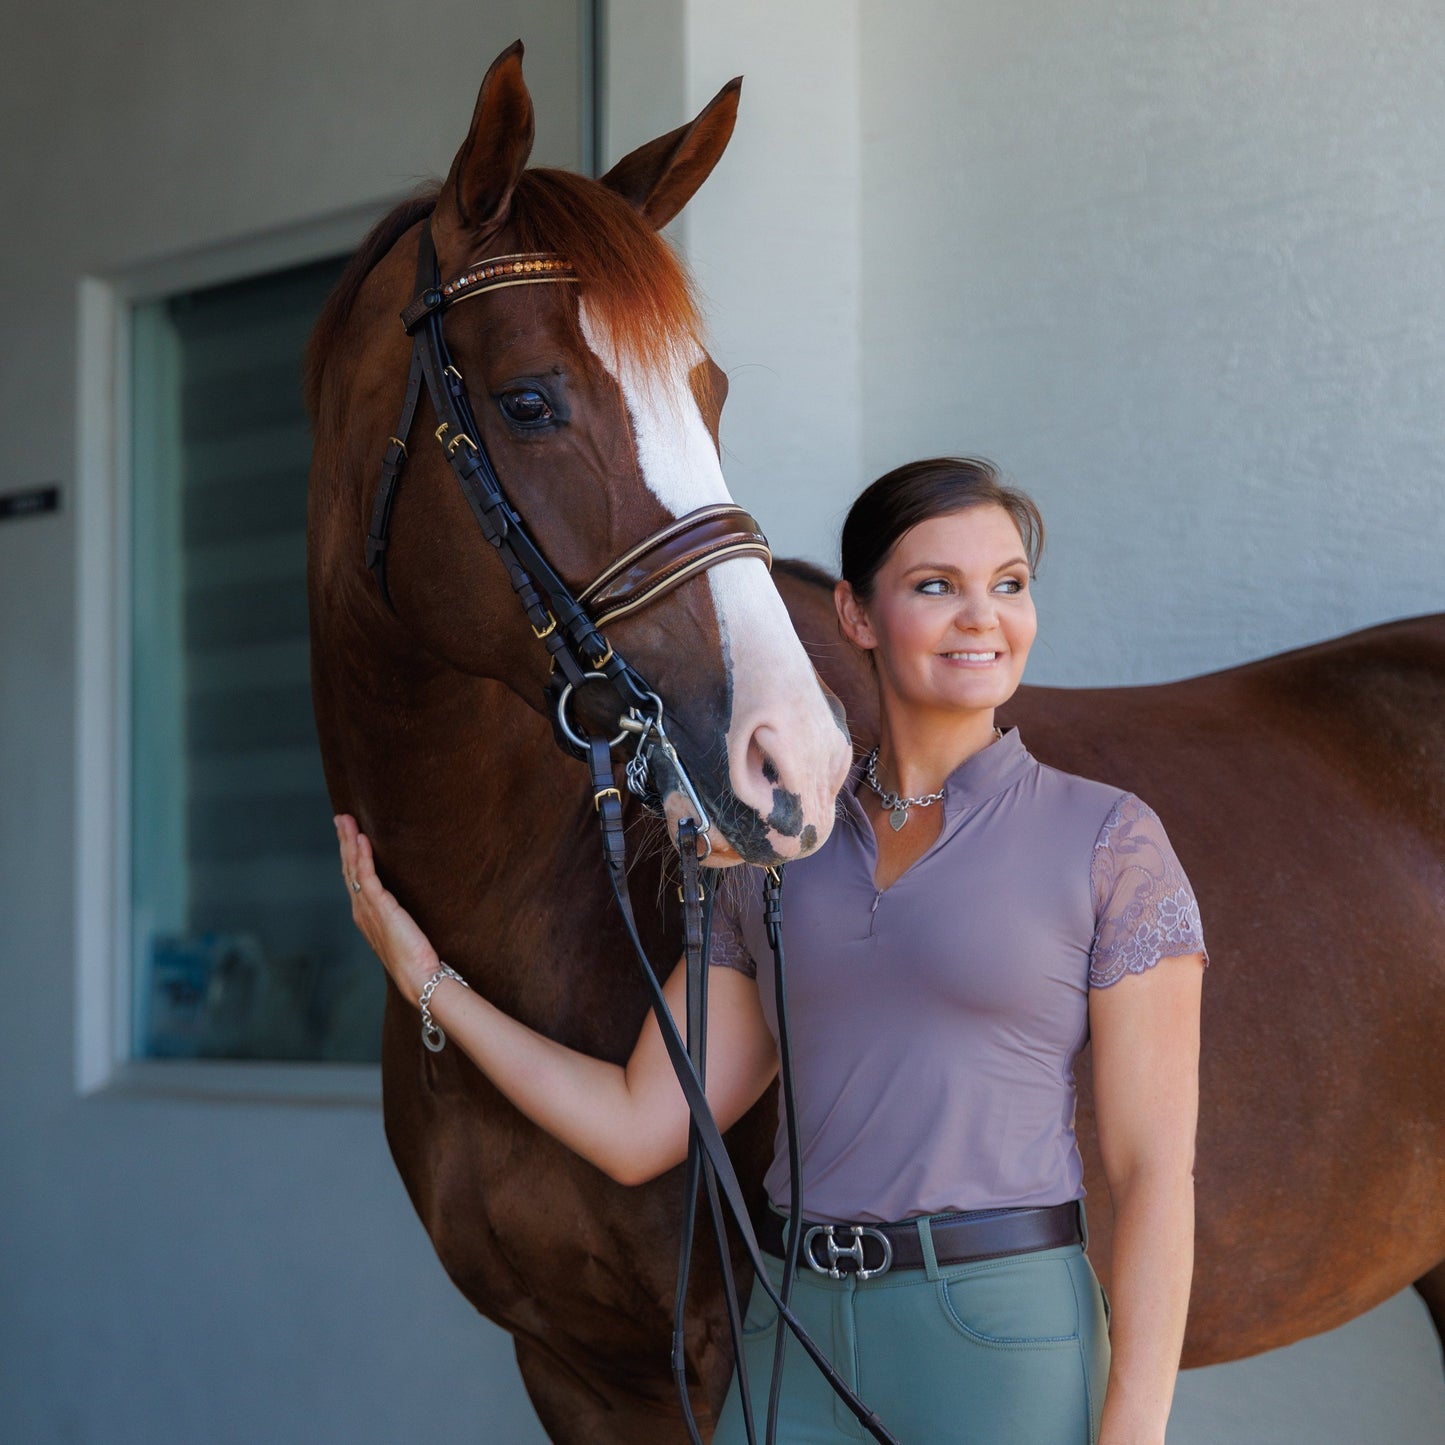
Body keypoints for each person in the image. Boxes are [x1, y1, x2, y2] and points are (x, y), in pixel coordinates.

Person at [334, 457, 1206, 1445]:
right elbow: (638, 1125)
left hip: (999, 1330)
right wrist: (429, 982)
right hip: (793, 1330)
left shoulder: (1107, 840)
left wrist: (1133, 1424)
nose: (982, 617)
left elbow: (1151, 1173)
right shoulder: (778, 851)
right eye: (936, 585)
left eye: (1007, 584)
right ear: (857, 613)